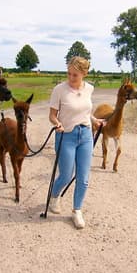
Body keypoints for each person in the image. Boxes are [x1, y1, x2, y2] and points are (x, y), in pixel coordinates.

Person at [48, 56, 104, 229]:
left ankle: (77, 211)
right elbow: (52, 115)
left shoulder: (89, 89)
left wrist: (94, 120)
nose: (71, 78)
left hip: (85, 134)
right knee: (66, 174)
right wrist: (57, 124)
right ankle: (54, 196)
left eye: (75, 75)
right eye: (69, 74)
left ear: (84, 74)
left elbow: (85, 111)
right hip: (66, 135)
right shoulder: (59, 90)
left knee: (83, 177)